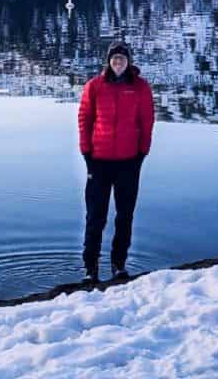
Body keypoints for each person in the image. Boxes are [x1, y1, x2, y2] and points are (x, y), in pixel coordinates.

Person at [77, 41, 155, 283]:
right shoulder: (95, 86)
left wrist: (142, 153)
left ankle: (118, 265)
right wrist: (86, 152)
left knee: (124, 215)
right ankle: (90, 269)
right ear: (108, 61)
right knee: (95, 216)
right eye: (114, 58)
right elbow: (84, 118)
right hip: (98, 162)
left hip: (128, 162)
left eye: (122, 58)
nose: (118, 62)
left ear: (128, 61)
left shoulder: (140, 87)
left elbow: (147, 120)